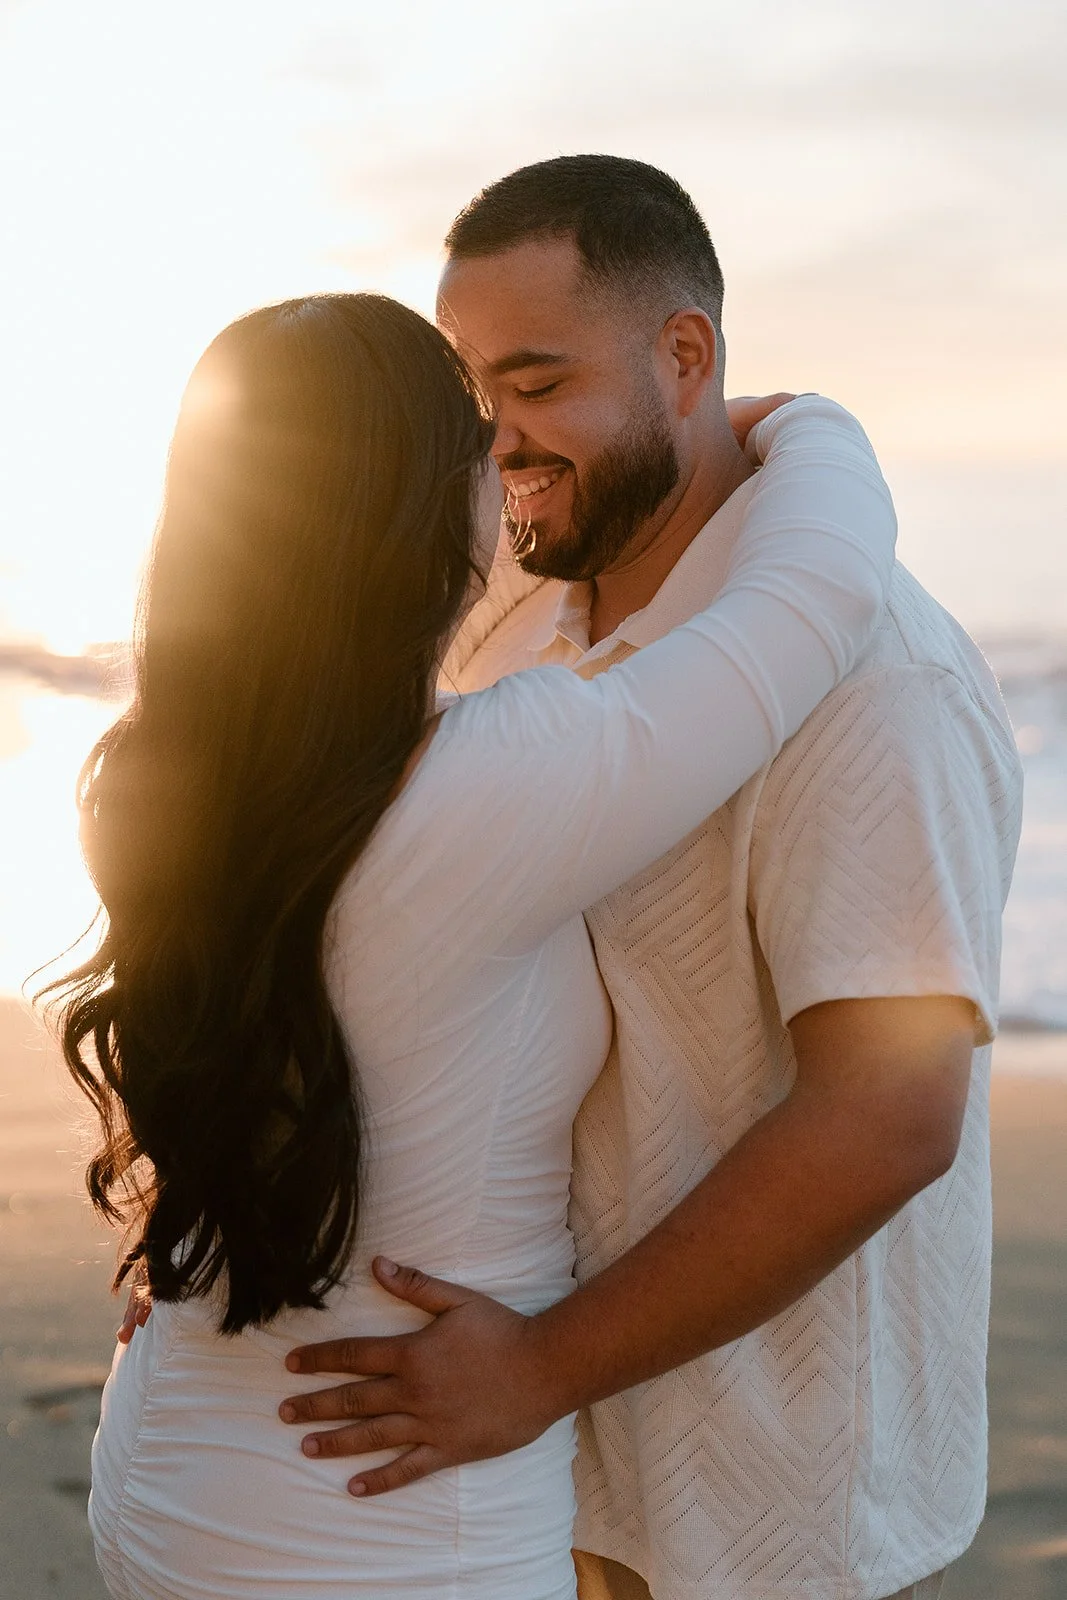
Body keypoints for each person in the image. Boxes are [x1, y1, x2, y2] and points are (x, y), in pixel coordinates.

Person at [57, 290, 896, 1600]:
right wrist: (806, 424)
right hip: (383, 1536)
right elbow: (818, 595)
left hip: (165, 1471)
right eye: (478, 447)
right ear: (420, 512)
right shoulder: (493, 787)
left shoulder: (150, 779)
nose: (503, 469)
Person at [277, 159, 1024, 1600]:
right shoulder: (507, 609)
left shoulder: (879, 690)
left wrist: (541, 1367)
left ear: (683, 359)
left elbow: (887, 1116)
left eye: (540, 381)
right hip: (524, 1461)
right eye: (470, 386)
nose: (497, 437)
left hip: (767, 1507)